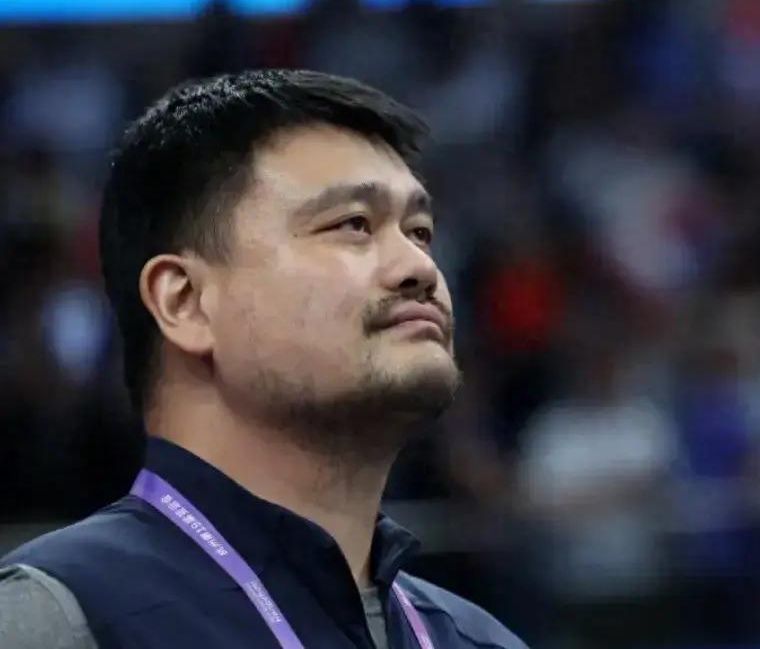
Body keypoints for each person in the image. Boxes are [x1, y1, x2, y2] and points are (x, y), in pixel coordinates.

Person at [0, 69, 528, 649]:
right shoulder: (53, 620)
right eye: (354, 225)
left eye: (420, 231)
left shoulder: (482, 641)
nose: (421, 267)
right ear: (185, 302)